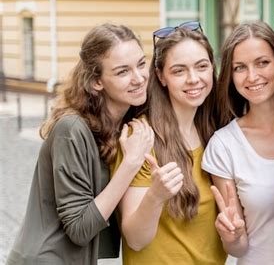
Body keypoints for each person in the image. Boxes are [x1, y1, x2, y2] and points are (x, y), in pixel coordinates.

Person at [7, 23, 155, 264]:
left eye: (141, 64)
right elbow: (79, 229)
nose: (139, 78)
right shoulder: (72, 129)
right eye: (122, 72)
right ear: (97, 81)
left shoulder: (124, 123)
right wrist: (131, 162)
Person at [110, 21, 227, 264]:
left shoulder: (216, 133)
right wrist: (155, 195)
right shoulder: (142, 136)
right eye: (179, 71)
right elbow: (135, 239)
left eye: (201, 66)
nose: (193, 79)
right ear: (161, 77)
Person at [202, 21, 274, 264]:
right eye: (240, 67)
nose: (252, 76)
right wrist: (231, 236)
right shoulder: (224, 145)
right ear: (230, 75)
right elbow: (239, 247)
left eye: (262, 62)